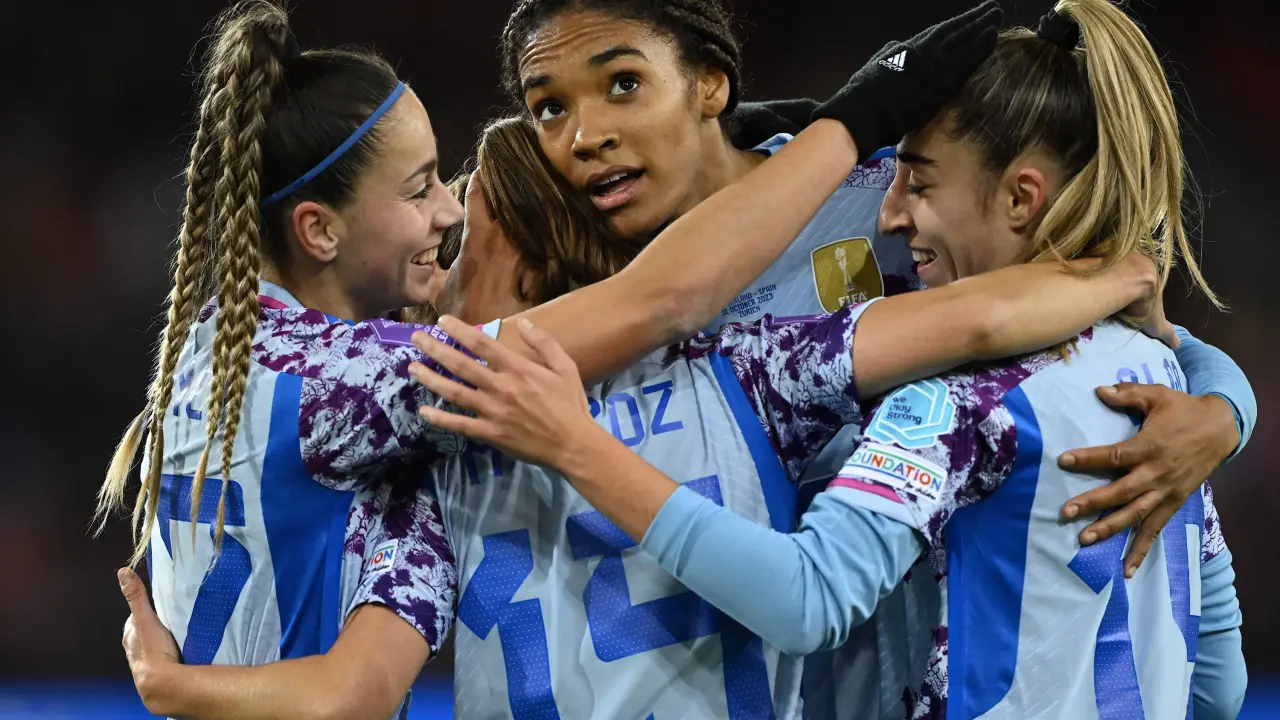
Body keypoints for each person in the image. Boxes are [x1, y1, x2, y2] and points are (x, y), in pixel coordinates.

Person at [103, 2, 1012, 717]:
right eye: (424, 193)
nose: (448, 220)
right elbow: (668, 300)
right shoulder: (734, 366)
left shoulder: (396, 442)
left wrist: (177, 688)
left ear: (709, 82)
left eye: (623, 85)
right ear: (319, 229)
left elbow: (359, 688)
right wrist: (855, 117)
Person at [411, 3, 1248, 718]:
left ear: (710, 84)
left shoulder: (881, 199)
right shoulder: (573, 275)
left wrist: (1219, 412)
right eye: (548, 108)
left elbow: (1090, 333)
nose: (585, 135)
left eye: (623, 83)